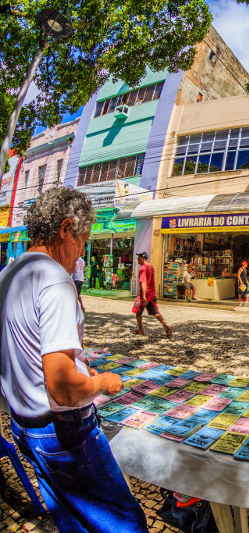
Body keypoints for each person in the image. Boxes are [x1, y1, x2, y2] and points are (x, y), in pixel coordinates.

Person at [0, 187, 148, 532]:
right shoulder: (54, 279)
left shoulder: (8, 275)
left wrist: (79, 368)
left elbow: (26, 350)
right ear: (65, 230)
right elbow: (64, 388)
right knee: (124, 523)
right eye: (83, 240)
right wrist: (101, 382)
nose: (82, 251)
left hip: (23, 424)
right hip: (62, 432)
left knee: (73, 522)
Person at [133, 252, 173, 337]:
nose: (138, 260)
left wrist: (143, 296)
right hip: (152, 294)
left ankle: (140, 330)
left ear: (143, 259)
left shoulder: (143, 269)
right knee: (155, 312)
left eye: (139, 258)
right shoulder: (151, 267)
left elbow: (143, 282)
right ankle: (166, 327)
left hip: (145, 294)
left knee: (138, 312)